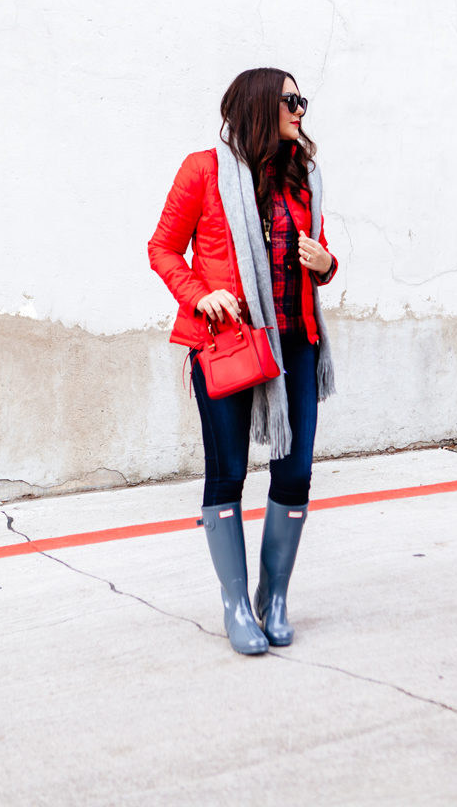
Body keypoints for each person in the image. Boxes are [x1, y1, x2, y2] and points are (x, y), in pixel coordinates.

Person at [148, 67, 337, 655]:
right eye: (291, 100)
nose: (300, 109)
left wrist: (325, 265)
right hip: (226, 342)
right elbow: (162, 247)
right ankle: (235, 607)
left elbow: (320, 259)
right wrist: (199, 292)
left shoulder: (302, 176)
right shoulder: (203, 171)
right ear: (258, 106)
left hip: (297, 343)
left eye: (302, 100)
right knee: (227, 473)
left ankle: (272, 597)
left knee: (297, 472)